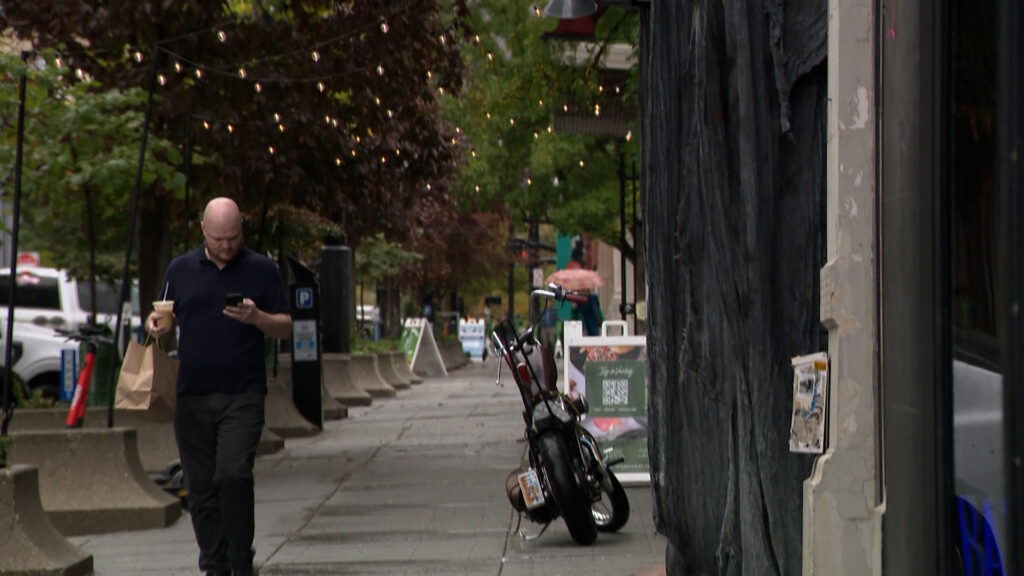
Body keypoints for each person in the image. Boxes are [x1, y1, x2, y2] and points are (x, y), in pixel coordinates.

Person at [146, 197, 292, 576]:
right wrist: (157, 325)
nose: (227, 246)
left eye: (233, 237)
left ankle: (241, 559)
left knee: (233, 474)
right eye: (219, 238)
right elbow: (162, 314)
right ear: (203, 232)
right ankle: (215, 561)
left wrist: (257, 316)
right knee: (201, 488)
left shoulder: (262, 269)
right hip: (192, 394)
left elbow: (286, 325)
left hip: (242, 393)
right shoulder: (181, 269)